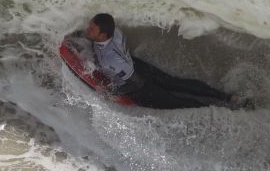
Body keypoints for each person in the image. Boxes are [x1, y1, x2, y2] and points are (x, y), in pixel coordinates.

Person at [84, 13, 250, 110]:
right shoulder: (116, 32)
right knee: (178, 84)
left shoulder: (108, 60)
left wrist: (110, 91)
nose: (87, 29)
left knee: (177, 102)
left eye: (91, 29)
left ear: (102, 36)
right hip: (140, 67)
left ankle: (224, 108)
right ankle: (227, 97)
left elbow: (125, 79)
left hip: (138, 85)